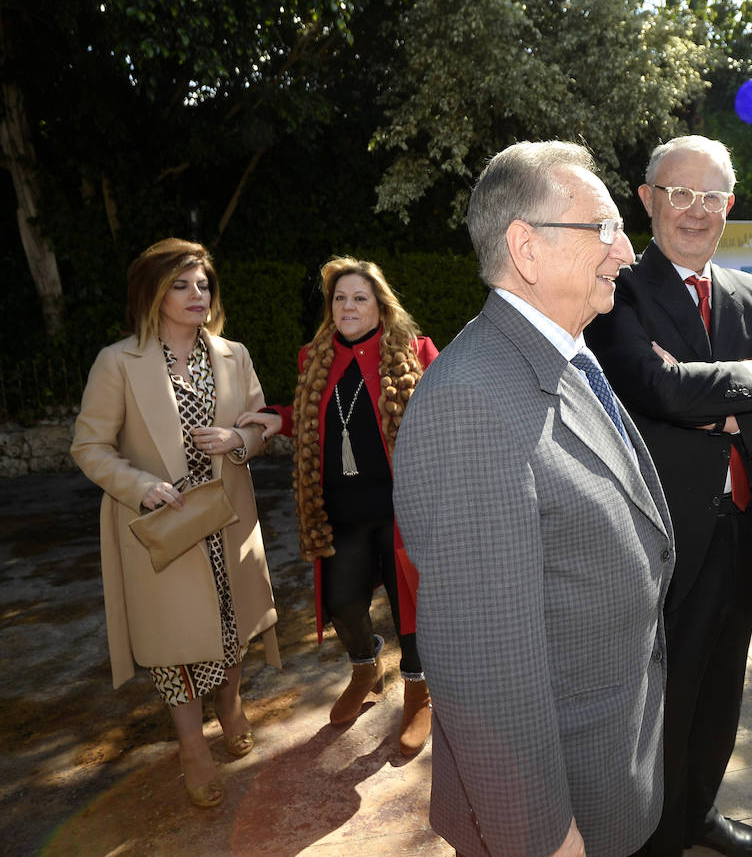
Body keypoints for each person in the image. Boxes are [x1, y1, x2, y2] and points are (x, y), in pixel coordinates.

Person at [392, 140, 674, 857]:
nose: (626, 252)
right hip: (558, 817)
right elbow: (484, 666)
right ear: (527, 249)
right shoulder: (469, 402)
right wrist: (541, 839)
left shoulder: (561, 354)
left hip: (605, 775)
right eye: (604, 228)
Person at [585, 134, 752, 857]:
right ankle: (653, 836)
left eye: (710, 195)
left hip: (745, 523)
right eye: (679, 193)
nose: (695, 210)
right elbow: (648, 385)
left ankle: (698, 815)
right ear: (648, 199)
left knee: (722, 686)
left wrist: (712, 399)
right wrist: (749, 380)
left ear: (730, 206)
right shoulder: (615, 287)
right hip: (663, 531)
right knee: (664, 695)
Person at [71, 238, 281, 809]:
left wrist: (241, 438)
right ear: (154, 292)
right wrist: (141, 489)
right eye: (183, 284)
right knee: (172, 646)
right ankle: (192, 746)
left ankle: (231, 705)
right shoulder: (118, 361)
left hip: (226, 520)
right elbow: (89, 446)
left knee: (232, 624)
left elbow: (264, 421)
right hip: (161, 529)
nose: (198, 294)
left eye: (204, 283)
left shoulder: (233, 354)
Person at [235, 257, 439, 755]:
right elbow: (307, 412)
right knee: (343, 602)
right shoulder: (315, 357)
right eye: (340, 298)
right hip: (339, 508)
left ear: (380, 305)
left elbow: (450, 405)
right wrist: (270, 420)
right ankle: (367, 668)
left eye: (359, 298)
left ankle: (418, 692)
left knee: (408, 603)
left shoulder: (414, 351)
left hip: (400, 510)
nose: (348, 306)